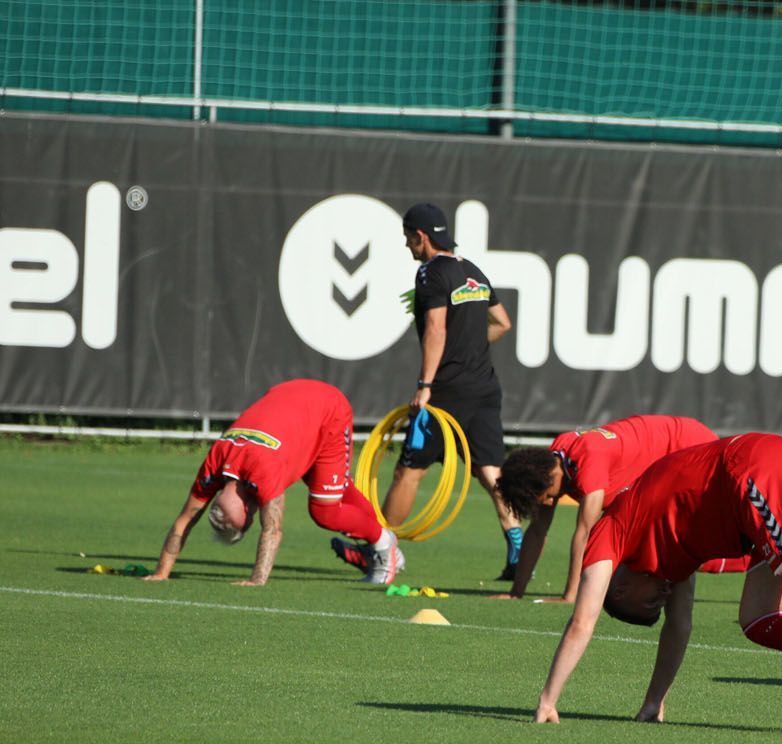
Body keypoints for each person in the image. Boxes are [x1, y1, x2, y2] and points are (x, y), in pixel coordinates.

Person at [533, 433, 782, 739]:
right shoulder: (666, 561)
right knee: (758, 618)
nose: (661, 601)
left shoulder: (613, 530)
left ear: (620, 591)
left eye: (649, 606)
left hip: (753, 471)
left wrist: (549, 699)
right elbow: (679, 627)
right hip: (765, 482)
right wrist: (653, 702)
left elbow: (583, 621)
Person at [333, 202, 520, 579]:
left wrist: (425, 386)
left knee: (409, 470)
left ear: (420, 236)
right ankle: (519, 550)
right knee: (491, 473)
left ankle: (379, 552)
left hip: (445, 395)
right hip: (484, 388)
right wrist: (469, 347)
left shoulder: (431, 273)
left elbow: (436, 330)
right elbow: (502, 322)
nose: (407, 247)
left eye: (407, 239)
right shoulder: (472, 271)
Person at [147, 379, 402, 586]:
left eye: (248, 520)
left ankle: (384, 545)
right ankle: (381, 546)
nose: (255, 512)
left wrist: (257, 580)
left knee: (325, 510)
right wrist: (162, 572)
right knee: (335, 491)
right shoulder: (216, 463)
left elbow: (272, 530)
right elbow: (186, 519)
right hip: (293, 400)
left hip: (328, 410)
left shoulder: (260, 472)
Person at [492, 415, 719, 600]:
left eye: (540, 497)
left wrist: (570, 596)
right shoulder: (553, 459)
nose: (544, 503)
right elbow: (537, 530)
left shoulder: (588, 459)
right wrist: (516, 593)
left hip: (690, 445)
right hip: (675, 448)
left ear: (548, 480)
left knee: (698, 541)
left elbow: (585, 533)